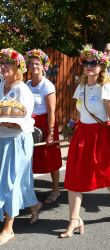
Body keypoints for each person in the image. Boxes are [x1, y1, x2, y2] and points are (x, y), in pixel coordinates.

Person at [61, 45, 110, 238]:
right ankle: (74, 220)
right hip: (82, 135)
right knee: (74, 176)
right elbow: (78, 113)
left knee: (108, 176)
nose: (89, 66)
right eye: (86, 63)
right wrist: (72, 130)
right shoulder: (81, 86)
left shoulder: (105, 87)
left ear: (101, 66)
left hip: (101, 136)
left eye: (93, 63)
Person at [0, 48, 41, 245]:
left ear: (18, 68)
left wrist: (6, 123)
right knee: (20, 181)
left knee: (10, 182)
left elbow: (25, 121)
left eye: (8, 63)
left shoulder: (23, 90)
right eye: (1, 63)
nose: (3, 66)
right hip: (1, 139)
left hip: (17, 140)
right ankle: (34, 205)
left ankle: (8, 228)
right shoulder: (0, 85)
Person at [25, 49, 62, 204]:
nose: (34, 66)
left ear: (43, 66)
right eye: (31, 63)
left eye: (37, 63)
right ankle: (28, 191)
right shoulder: (26, 84)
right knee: (29, 158)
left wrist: (51, 133)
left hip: (45, 123)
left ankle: (55, 190)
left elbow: (52, 111)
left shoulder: (47, 86)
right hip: (30, 124)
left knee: (50, 157)